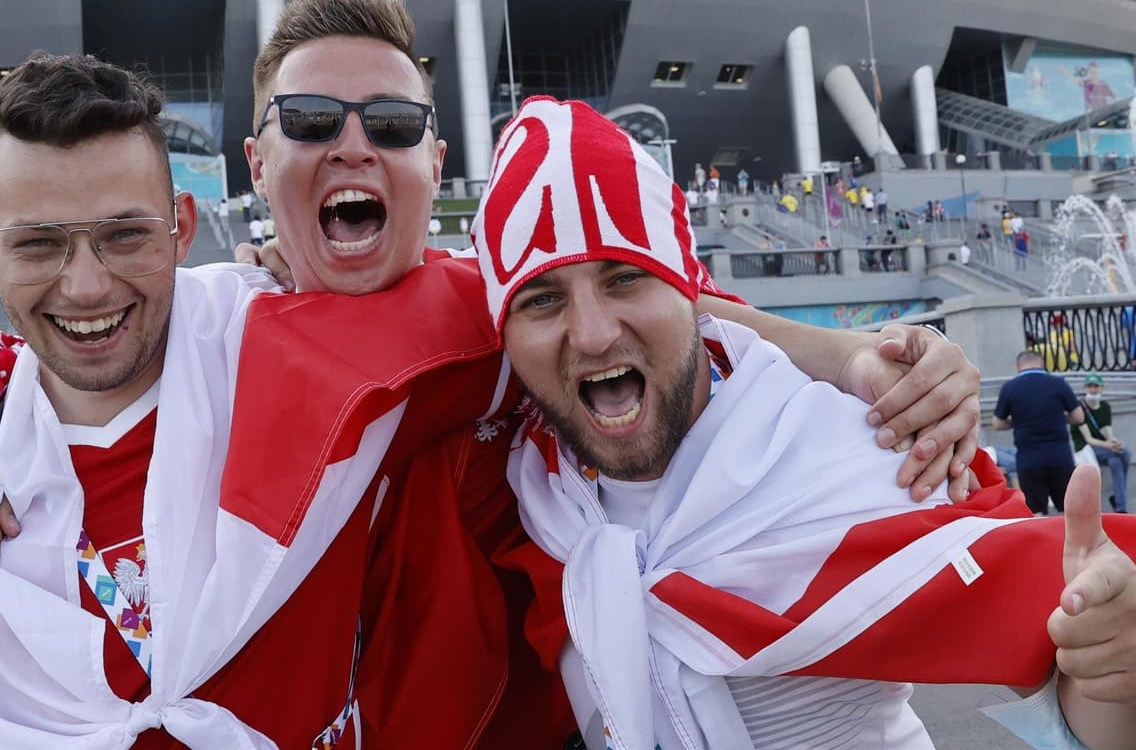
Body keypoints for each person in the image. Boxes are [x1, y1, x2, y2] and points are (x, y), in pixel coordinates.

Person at [0, 0, 987, 744]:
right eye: (311, 120)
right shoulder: (214, 327)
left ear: (431, 161)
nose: (353, 144)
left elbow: (670, 314)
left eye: (391, 123)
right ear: (255, 165)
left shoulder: (505, 319)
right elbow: (27, 355)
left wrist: (855, 357)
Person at [0, 51, 532, 748]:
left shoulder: (315, 363)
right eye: (37, 244)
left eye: (125, 235)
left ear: (182, 225)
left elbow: (544, 323)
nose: (86, 286)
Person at [471, 98, 1136, 750]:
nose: (590, 334)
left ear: (691, 295)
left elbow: (1068, 695)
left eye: (625, 279)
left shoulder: (880, 445)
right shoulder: (531, 488)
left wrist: (1113, 667)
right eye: (543, 298)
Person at [994, 350, 1085, 515]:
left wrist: (1018, 421)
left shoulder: (1010, 387)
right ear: (1042, 364)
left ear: (1018, 367)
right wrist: (1059, 417)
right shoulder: (1058, 383)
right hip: (1060, 457)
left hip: (1029, 460)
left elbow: (997, 423)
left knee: (1036, 513)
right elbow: (1079, 416)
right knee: (1069, 510)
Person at [1073, 374, 1131, 513]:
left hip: (1102, 447)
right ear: (1086, 387)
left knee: (1116, 462)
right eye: (1090, 386)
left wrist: (1114, 442)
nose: (1093, 389)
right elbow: (1088, 439)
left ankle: (1120, 505)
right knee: (1126, 453)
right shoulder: (1080, 407)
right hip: (1086, 448)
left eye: (1096, 386)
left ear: (1102, 388)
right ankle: (1120, 498)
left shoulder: (1105, 406)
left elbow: (1108, 430)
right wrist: (1109, 446)